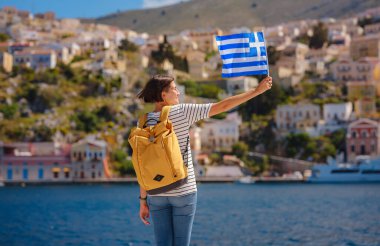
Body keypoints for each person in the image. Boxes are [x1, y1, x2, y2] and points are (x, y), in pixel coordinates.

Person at [136, 74, 272, 246]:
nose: (178, 92)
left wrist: (143, 200)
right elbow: (224, 105)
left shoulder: (142, 122)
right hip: (183, 190)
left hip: (155, 192)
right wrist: (256, 91)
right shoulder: (182, 112)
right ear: (164, 94)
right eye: (175, 89)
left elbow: (143, 164)